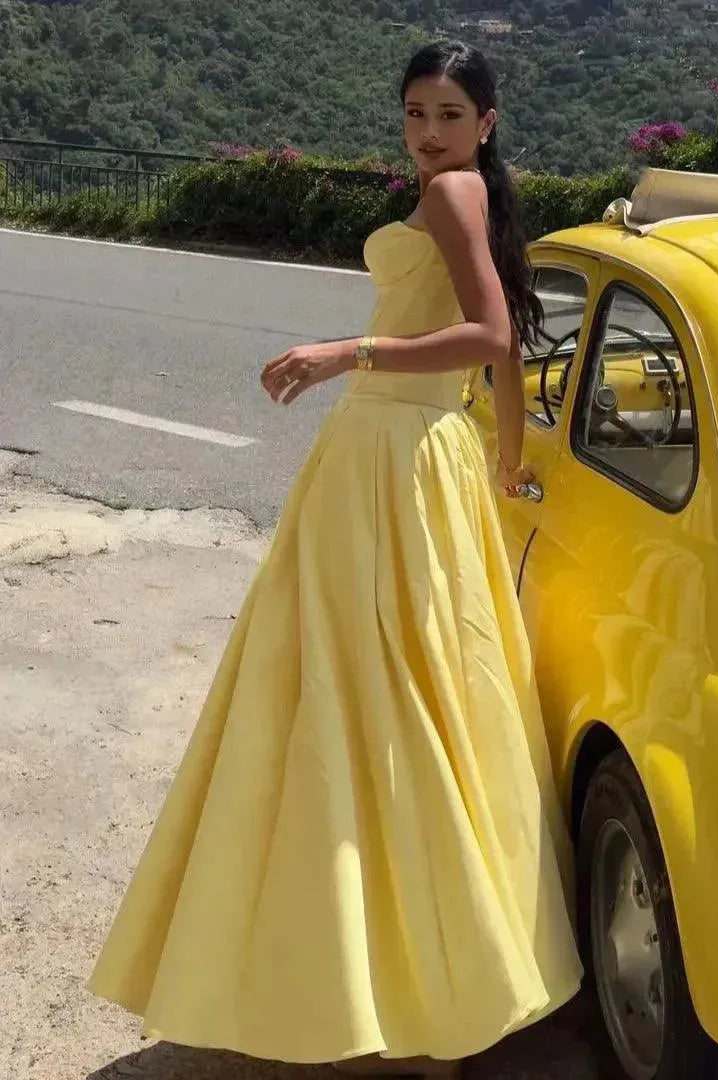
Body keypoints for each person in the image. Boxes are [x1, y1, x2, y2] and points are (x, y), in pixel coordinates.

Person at [86, 40, 584, 1079]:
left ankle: (367, 968)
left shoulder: (453, 196)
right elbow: (496, 346)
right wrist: (503, 458)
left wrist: (343, 353)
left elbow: (489, 329)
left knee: (360, 693)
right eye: (414, 112)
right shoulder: (468, 197)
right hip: (410, 456)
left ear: (485, 123)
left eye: (448, 113)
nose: (429, 133)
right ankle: (435, 964)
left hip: (389, 454)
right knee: (412, 694)